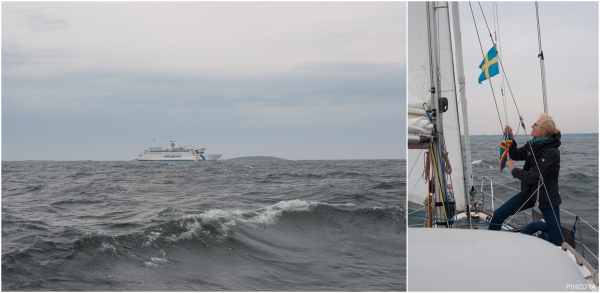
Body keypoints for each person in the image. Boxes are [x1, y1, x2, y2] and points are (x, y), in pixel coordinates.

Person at [488, 113, 563, 246]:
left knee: (557, 238)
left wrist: (513, 169)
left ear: (543, 131)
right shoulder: (533, 145)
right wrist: (511, 138)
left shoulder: (552, 152)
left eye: (535, 124)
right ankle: (489, 244)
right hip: (530, 194)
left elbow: (533, 177)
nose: (531, 126)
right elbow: (515, 154)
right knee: (499, 214)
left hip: (547, 198)